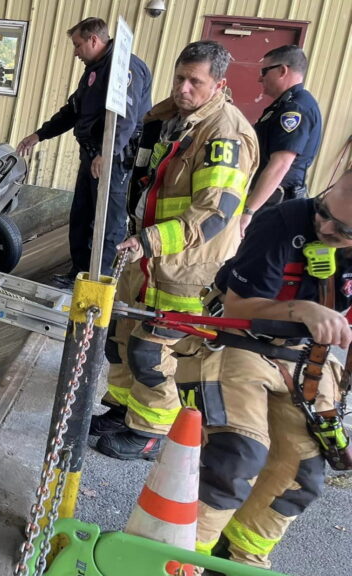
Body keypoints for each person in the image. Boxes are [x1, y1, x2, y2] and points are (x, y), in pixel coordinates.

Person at [92, 41, 258, 460]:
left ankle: (151, 431)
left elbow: (213, 213)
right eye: (179, 78)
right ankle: (124, 410)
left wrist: (148, 240)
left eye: (195, 82)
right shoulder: (168, 117)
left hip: (187, 265)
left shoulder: (224, 134)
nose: (183, 89)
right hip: (146, 257)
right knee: (121, 338)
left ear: (218, 84)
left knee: (154, 350)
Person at [196, 171, 352, 568]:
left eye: (342, 230)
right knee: (237, 454)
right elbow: (238, 309)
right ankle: (180, 554)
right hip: (241, 338)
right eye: (323, 211)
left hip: (304, 358)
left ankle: (237, 556)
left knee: (302, 473)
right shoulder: (281, 222)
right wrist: (301, 308)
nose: (326, 226)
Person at [16, 17, 152, 288]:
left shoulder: (124, 68)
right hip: (92, 155)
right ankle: (79, 272)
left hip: (114, 158)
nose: (76, 52)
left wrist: (107, 153)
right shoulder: (95, 69)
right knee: (82, 216)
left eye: (78, 45)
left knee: (108, 222)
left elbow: (125, 118)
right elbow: (73, 110)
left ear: (94, 40)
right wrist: (39, 135)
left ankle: (99, 283)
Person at [240, 45, 322, 236]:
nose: (260, 78)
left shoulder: (295, 109)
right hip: (269, 201)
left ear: (283, 70)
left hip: (274, 204)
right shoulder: (285, 105)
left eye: (264, 71)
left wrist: (248, 211)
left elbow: (280, 165)